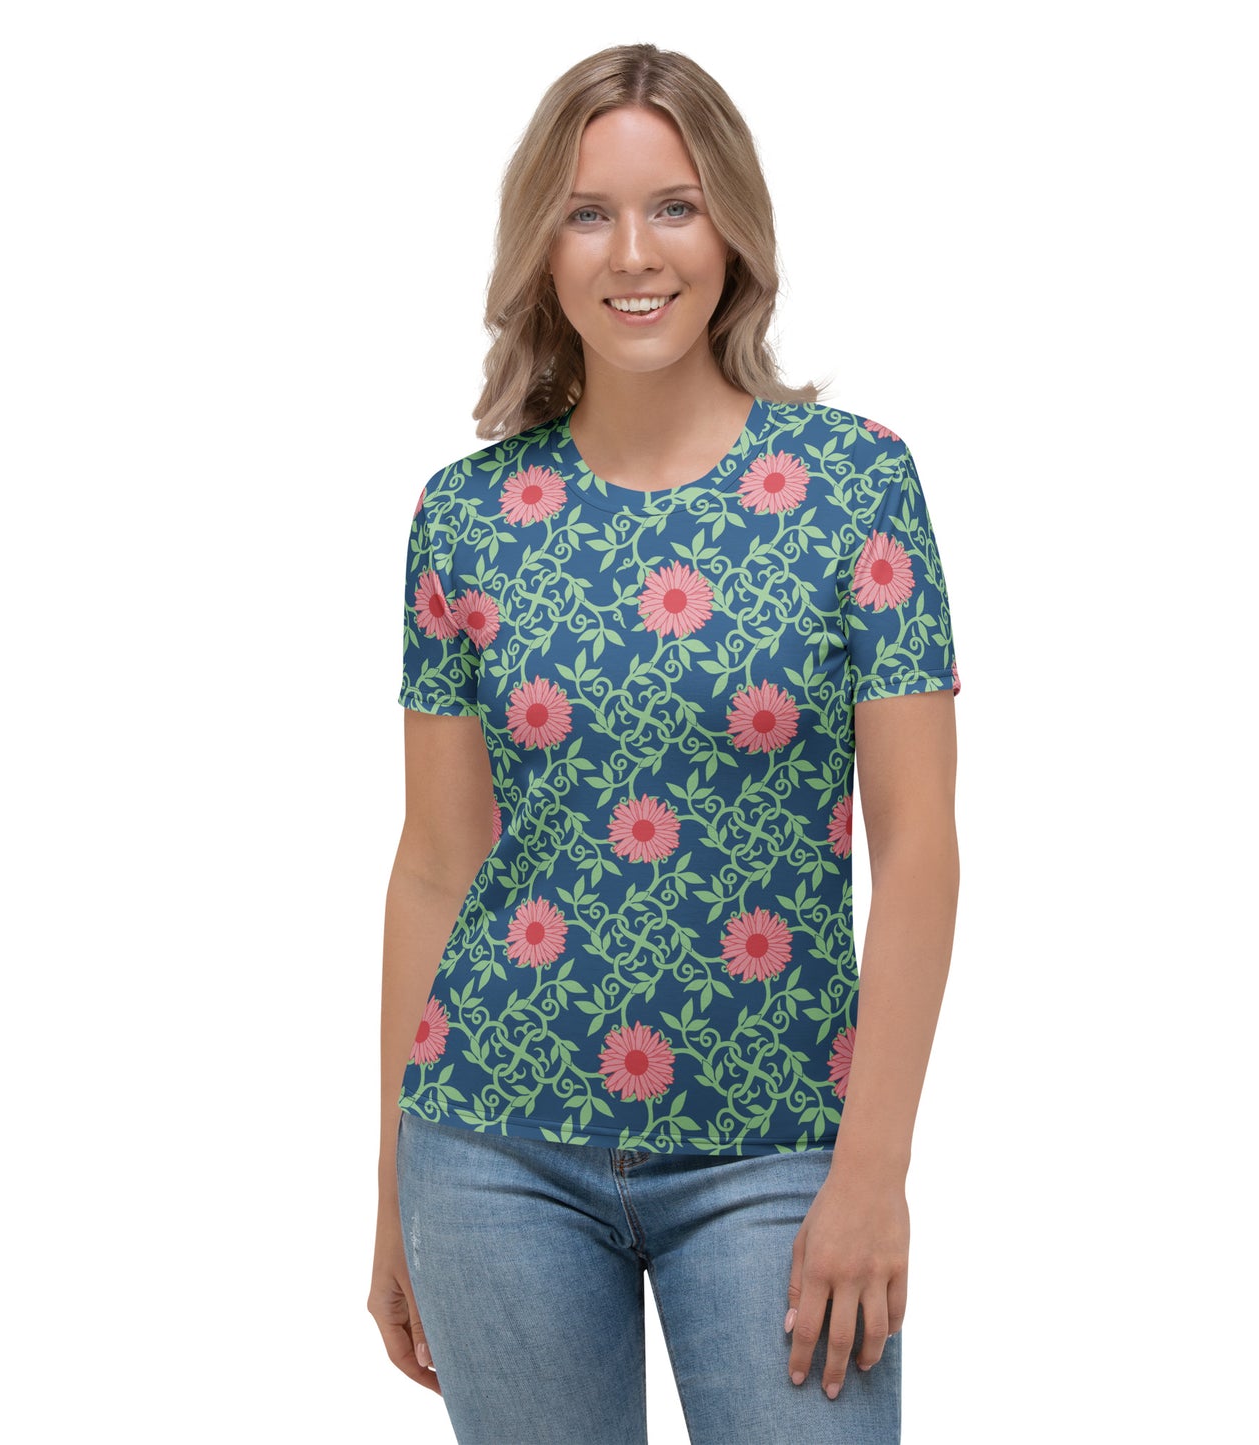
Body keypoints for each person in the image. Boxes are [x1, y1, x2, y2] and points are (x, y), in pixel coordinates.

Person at [369, 42, 961, 1445]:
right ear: (543, 247)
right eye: (588, 213)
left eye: (674, 206)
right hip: (493, 1147)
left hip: (781, 1153)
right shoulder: (464, 517)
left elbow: (920, 851)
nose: (633, 253)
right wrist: (389, 1188)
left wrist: (871, 1173)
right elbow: (436, 864)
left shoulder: (855, 485)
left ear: (733, 230)